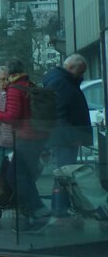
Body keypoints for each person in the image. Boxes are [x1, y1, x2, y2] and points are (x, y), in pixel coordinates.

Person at [0, 59, 49, 229]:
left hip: (26, 138)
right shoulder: (29, 84)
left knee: (14, 175)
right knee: (23, 176)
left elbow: (14, 116)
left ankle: (38, 211)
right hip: (38, 137)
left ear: (10, 74)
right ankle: (36, 212)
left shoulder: (15, 89)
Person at [43, 53, 93, 219]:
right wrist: (70, 135)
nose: (81, 76)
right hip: (65, 137)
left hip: (65, 136)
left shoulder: (61, 80)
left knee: (64, 173)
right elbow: (59, 112)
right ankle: (60, 208)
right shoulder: (62, 83)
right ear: (71, 68)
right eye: (80, 72)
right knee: (64, 173)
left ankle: (61, 206)